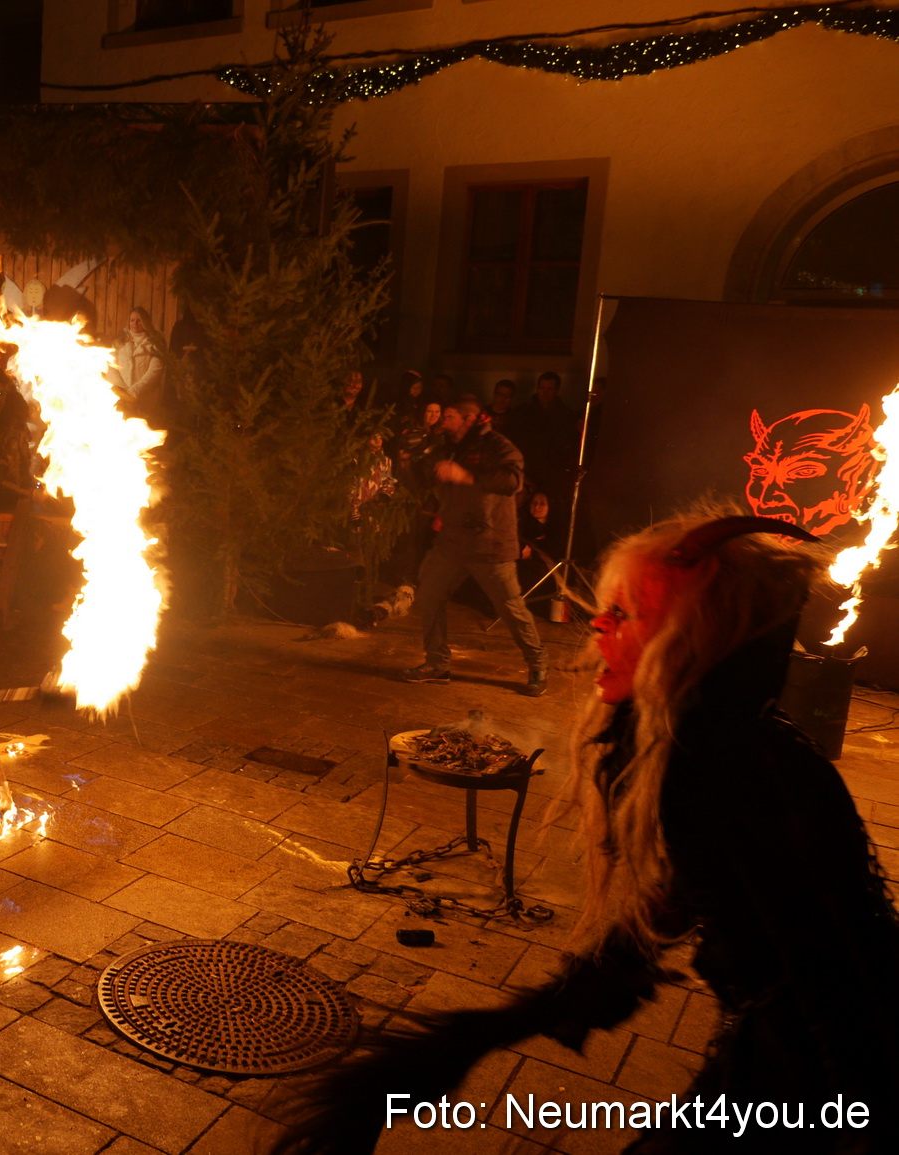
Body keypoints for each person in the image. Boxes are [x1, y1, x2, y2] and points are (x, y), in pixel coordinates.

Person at [280, 510, 899, 1154]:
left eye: (627, 614)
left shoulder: (737, 770)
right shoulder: (712, 747)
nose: (598, 625)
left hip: (807, 1085)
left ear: (697, 641)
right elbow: (695, 892)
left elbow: (840, 985)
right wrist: (552, 1001)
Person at [402, 395, 548, 694]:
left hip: (489, 543)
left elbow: (511, 481)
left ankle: (538, 664)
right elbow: (422, 481)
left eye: (451, 416)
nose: (444, 420)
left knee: (510, 608)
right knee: (429, 596)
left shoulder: (498, 446)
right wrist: (406, 459)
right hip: (452, 541)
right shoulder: (450, 449)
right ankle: (437, 663)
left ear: (470, 419)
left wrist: (465, 475)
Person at [506, 370, 578, 497]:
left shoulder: (566, 417)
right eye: (542, 388)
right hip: (526, 472)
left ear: (557, 390)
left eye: (549, 389)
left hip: (553, 476)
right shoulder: (521, 413)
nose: (544, 393)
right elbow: (513, 443)